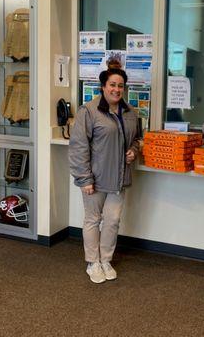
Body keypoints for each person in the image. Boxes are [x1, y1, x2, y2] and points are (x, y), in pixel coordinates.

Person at [69, 62, 141, 284]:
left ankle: (106, 260)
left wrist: (134, 150)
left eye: (120, 85)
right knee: (93, 219)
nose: (116, 89)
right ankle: (93, 262)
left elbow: (138, 139)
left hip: (119, 177)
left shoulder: (130, 112)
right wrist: (84, 178)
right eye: (112, 85)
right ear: (103, 86)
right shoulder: (89, 111)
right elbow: (78, 146)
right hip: (95, 178)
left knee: (112, 221)